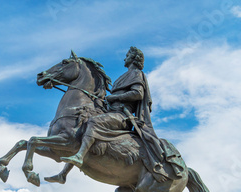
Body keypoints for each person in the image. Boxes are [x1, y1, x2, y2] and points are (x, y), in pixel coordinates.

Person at [61, 46, 182, 182]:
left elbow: (138, 93)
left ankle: (79, 156)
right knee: (79, 127)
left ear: (134, 58)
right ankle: (63, 174)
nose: (125, 58)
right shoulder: (123, 77)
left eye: (127, 55)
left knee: (93, 122)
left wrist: (114, 98)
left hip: (123, 115)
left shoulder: (136, 73)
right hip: (113, 111)